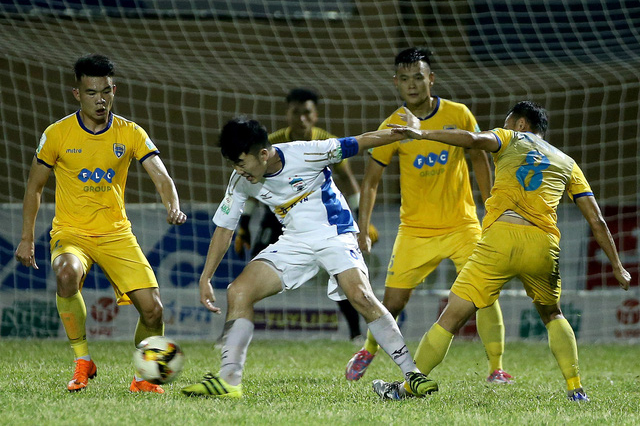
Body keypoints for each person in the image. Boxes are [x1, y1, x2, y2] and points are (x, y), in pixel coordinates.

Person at [371, 101, 631, 401]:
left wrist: (421, 134)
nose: (504, 127)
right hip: (543, 246)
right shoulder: (568, 163)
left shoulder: (510, 138)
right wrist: (616, 265)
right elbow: (596, 220)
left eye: (508, 123)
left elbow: (471, 140)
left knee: (451, 318)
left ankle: (405, 389)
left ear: (521, 124)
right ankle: (576, 390)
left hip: (500, 239)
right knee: (552, 313)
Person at [181, 115, 436, 399]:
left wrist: (403, 133)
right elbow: (225, 229)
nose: (237, 170)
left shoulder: (307, 152)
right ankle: (229, 380)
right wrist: (206, 277)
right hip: (294, 241)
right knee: (239, 291)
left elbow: (360, 142)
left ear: (263, 154)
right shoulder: (241, 180)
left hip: (334, 233)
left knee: (361, 296)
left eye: (240, 163)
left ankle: (412, 374)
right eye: (232, 164)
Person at [14, 54, 187, 394]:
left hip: (116, 234)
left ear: (114, 89)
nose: (101, 100)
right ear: (77, 93)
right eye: (92, 92)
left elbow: (161, 176)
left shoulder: (130, 132)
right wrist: (26, 237)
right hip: (71, 232)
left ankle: (143, 379)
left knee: (153, 310)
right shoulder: (57, 134)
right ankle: (82, 361)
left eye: (106, 91)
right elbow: (34, 188)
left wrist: (174, 205)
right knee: (65, 273)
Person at [345, 47, 511, 384]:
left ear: (430, 78)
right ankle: (367, 351)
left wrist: (490, 208)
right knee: (392, 301)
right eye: (404, 79)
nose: (412, 85)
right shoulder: (393, 125)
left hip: (463, 224)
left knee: (485, 292)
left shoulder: (458, 114)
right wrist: (362, 230)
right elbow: (372, 180)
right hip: (415, 230)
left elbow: (479, 158)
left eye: (418, 77)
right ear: (396, 83)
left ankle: (496, 368)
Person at [233, 88, 369, 342]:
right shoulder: (270, 144)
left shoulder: (326, 142)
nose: (301, 119)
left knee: (338, 273)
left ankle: (355, 333)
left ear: (315, 115)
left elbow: (349, 182)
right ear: (288, 114)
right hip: (277, 216)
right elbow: (249, 187)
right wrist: (244, 225)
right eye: (296, 113)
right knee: (254, 268)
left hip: (319, 220)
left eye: (307, 113)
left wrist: (363, 220)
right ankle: (241, 334)